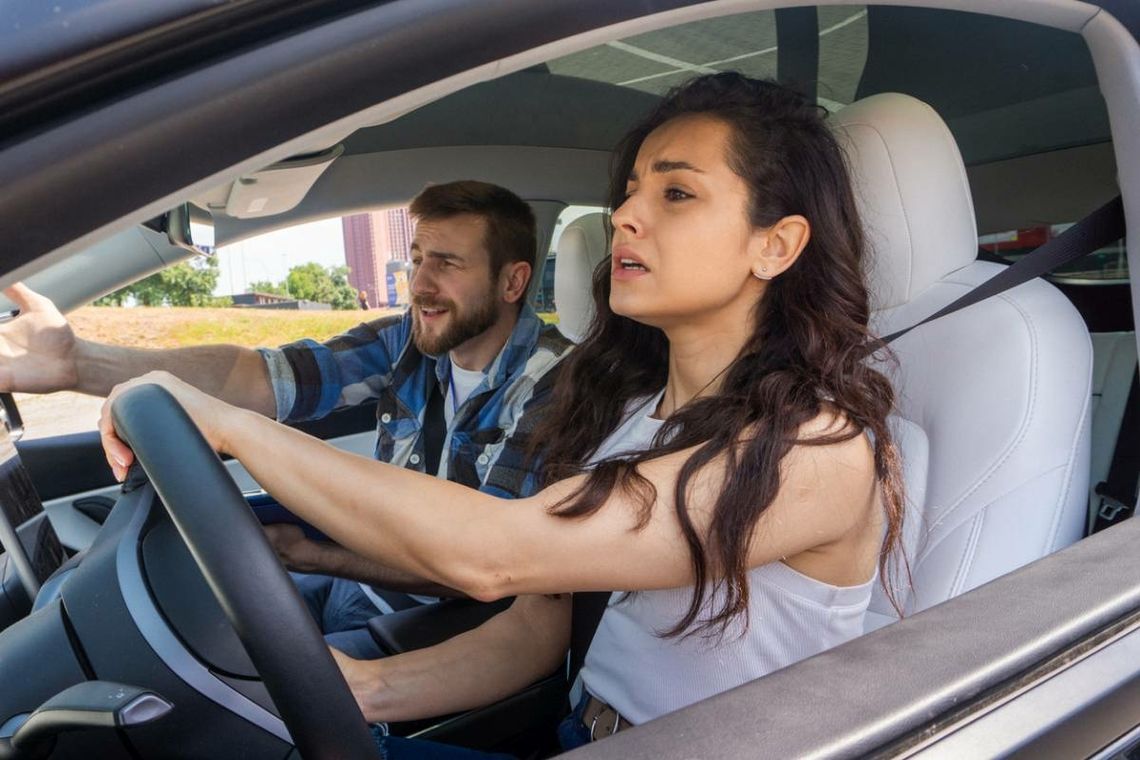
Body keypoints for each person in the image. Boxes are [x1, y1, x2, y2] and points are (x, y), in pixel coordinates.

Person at [99, 73, 906, 757]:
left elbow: (494, 556)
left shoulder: (819, 449)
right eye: (630, 192)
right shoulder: (635, 416)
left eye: (677, 193)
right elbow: (536, 632)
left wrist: (228, 425)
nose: (626, 214)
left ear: (777, 245)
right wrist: (361, 691)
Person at [0, 180, 573, 658]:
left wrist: (311, 554)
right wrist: (75, 363)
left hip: (450, 625)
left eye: (446, 263)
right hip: (367, 584)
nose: (419, 284)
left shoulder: (556, 385)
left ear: (513, 282)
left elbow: (479, 565)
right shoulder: (411, 340)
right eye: (418, 259)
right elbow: (259, 379)